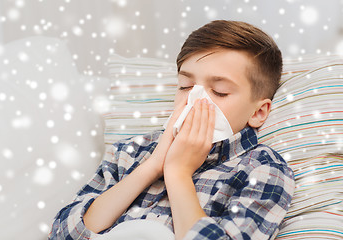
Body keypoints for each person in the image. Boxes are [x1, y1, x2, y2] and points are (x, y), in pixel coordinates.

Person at [48, 20, 295, 240]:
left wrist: (178, 172)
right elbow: (63, 233)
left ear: (258, 112)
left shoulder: (263, 169)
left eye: (219, 92)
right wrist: (154, 165)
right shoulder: (129, 152)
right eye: (186, 86)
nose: (196, 100)